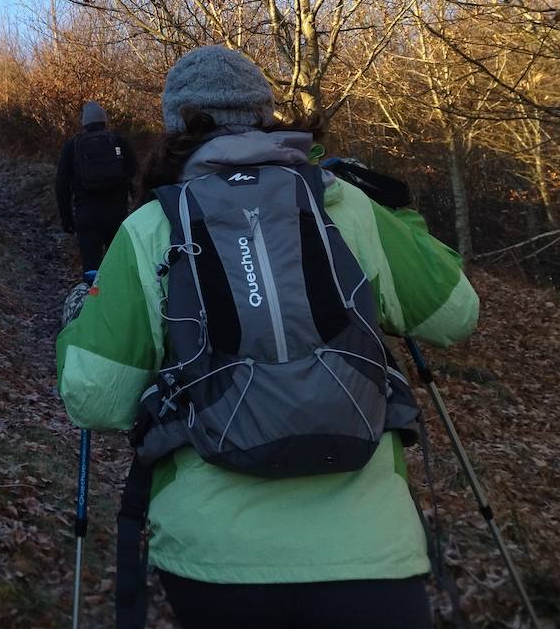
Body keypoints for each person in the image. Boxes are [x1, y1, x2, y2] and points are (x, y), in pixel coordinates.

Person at [56, 47, 479, 629]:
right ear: (265, 113)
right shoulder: (342, 203)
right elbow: (457, 313)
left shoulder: (153, 225)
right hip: (369, 552)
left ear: (175, 124)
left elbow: (94, 397)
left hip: (215, 558)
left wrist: (78, 323)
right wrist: (402, 221)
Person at [55, 100, 138, 273]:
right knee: (119, 268)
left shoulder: (72, 146)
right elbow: (134, 176)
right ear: (104, 120)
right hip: (117, 214)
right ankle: (116, 289)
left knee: (91, 269)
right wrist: (138, 211)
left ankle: (92, 289)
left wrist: (66, 219)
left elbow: (62, 184)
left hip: (87, 217)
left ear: (84, 123)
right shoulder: (119, 141)